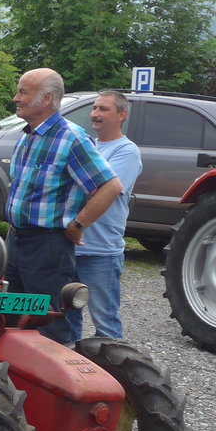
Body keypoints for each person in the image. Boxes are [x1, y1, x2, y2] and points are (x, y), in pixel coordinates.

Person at [5, 69, 122, 345]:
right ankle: (20, 382)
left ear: (46, 99)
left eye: (23, 92)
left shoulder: (71, 137)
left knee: (49, 326)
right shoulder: (28, 136)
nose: (16, 98)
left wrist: (78, 225)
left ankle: (58, 386)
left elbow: (111, 186)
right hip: (18, 244)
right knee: (13, 321)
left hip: (47, 249)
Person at [66, 92, 142, 340]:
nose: (95, 114)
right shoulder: (88, 145)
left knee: (105, 323)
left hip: (100, 252)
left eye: (104, 109)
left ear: (122, 115)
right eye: (95, 108)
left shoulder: (126, 151)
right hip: (70, 247)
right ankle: (73, 372)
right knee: (66, 316)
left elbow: (101, 190)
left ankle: (113, 374)